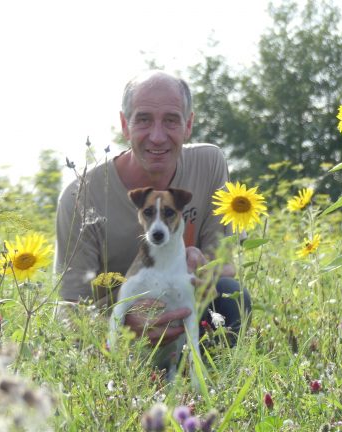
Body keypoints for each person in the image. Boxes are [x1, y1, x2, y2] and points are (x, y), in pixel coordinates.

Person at [55, 70, 251, 346]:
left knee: (231, 295)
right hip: (114, 337)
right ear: (125, 125)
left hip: (184, 311)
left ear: (188, 124)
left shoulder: (209, 164)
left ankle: (207, 379)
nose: (157, 137)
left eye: (171, 120)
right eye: (144, 120)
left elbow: (226, 265)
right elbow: (69, 309)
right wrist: (125, 327)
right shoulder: (80, 197)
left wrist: (203, 264)